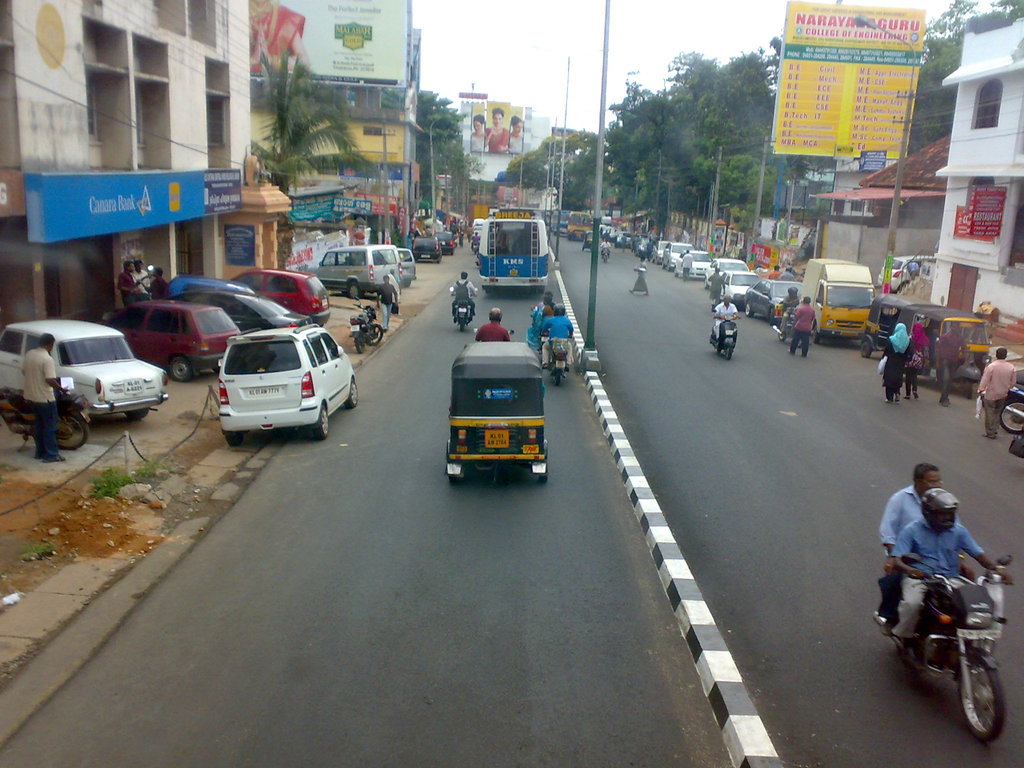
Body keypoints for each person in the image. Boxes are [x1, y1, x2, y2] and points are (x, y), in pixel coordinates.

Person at [890, 488, 1012, 644]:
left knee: (976, 603)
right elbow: (897, 560)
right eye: (942, 514)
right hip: (921, 579)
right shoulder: (911, 530)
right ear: (928, 513)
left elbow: (979, 555)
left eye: (949, 513)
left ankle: (967, 639)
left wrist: (998, 569)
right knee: (912, 604)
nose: (946, 517)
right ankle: (903, 636)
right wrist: (912, 571)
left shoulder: (959, 532)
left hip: (951, 578)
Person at [22, 333, 65, 463]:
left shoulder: (29, 354)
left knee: (39, 426)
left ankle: (39, 452)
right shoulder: (47, 359)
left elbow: (23, 371)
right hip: (45, 398)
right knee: (50, 427)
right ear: (50, 344)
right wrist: (61, 388)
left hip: (31, 396)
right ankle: (51, 455)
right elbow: (49, 379)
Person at [250, 0, 311, 73]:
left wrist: (272, 61)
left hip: (272, 82)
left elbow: (304, 62)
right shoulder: (236, 12)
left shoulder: (284, 16)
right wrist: (252, 60)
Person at [978, 347, 1017, 439]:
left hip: (991, 393)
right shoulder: (1011, 367)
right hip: (1003, 394)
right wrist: (1007, 388)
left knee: (989, 412)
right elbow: (1013, 383)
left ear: (996, 355)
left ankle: (990, 432)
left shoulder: (991, 366)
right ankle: (995, 429)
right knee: (997, 412)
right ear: (1006, 356)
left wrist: (981, 389)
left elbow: (985, 379)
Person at [935, 324, 964, 406]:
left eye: (956, 327)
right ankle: (944, 399)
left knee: (949, 380)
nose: (955, 328)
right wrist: (937, 361)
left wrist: (965, 360)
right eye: (954, 327)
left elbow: (964, 348)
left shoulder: (960, 338)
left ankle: (944, 397)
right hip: (945, 360)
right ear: (951, 328)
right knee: (946, 379)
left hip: (954, 361)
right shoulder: (945, 337)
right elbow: (938, 348)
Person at [882, 322, 910, 403]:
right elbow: (908, 353)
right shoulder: (907, 341)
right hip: (900, 363)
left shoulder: (891, 339)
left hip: (891, 362)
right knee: (897, 379)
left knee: (889, 378)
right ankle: (897, 392)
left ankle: (889, 397)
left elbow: (886, 351)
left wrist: (883, 358)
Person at [904, 322, 929, 399]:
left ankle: (908, 394)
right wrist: (926, 360)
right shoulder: (924, 339)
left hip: (910, 359)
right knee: (914, 375)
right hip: (918, 360)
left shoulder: (911, 338)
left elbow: (906, 347)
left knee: (908, 376)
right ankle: (914, 390)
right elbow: (926, 351)